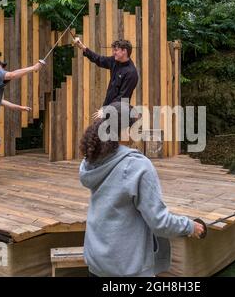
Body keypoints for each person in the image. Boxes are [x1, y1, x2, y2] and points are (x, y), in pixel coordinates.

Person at [79, 101, 205, 277]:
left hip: (96, 263)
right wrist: (190, 227)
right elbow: (160, 222)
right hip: (127, 269)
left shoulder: (91, 159)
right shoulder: (137, 166)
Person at [73, 37, 138, 118]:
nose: (113, 53)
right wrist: (82, 47)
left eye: (116, 50)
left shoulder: (131, 73)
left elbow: (122, 98)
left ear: (124, 51)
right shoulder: (115, 61)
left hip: (119, 113)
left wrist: (106, 110)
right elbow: (99, 59)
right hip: (107, 107)